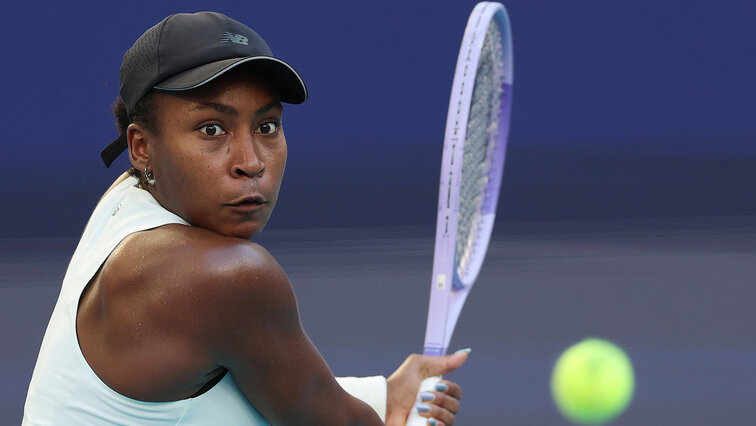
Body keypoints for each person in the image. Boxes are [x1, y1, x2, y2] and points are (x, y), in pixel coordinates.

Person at [23, 11, 469, 425]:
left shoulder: (125, 199)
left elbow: (256, 391)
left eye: (266, 126)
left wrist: (385, 397)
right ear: (141, 147)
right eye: (212, 129)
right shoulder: (224, 275)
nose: (251, 162)